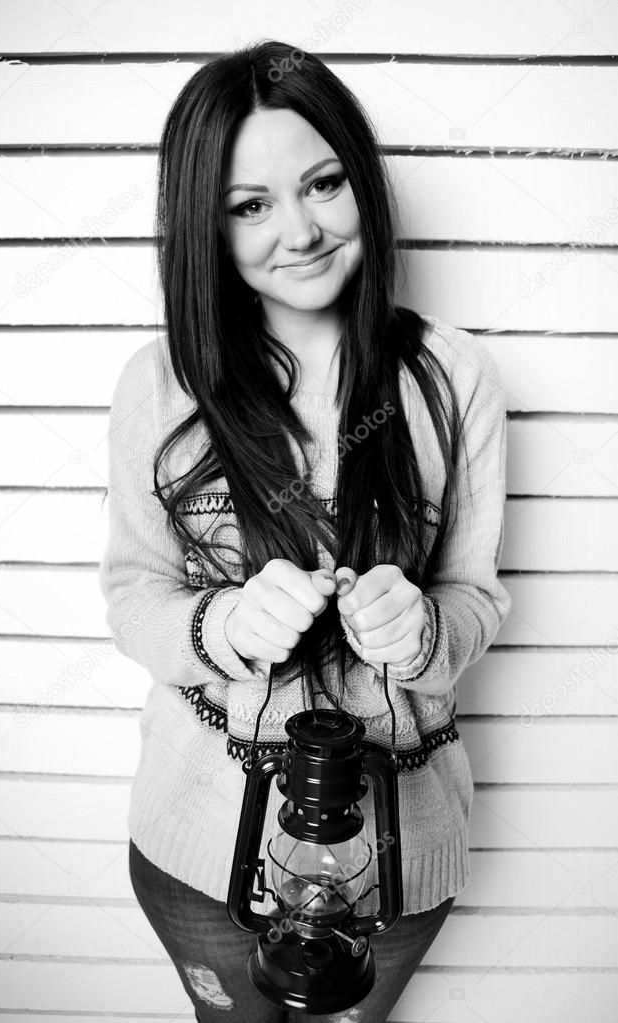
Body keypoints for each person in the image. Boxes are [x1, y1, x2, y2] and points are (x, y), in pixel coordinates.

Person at [98, 39, 512, 1023]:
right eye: (250, 204)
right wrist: (224, 628)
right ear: (204, 222)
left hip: (401, 856)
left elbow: (475, 596)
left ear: (361, 182)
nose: (303, 229)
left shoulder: (452, 379)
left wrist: (428, 634)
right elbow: (132, 598)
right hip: (197, 852)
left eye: (324, 183)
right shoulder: (160, 387)